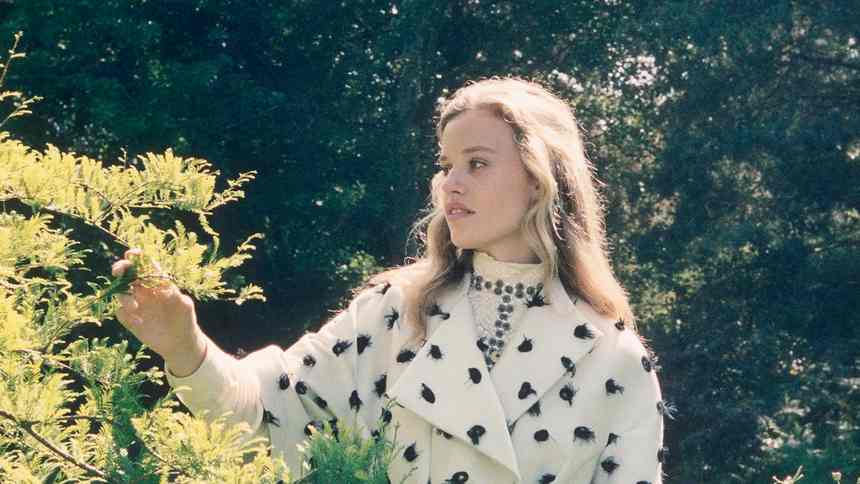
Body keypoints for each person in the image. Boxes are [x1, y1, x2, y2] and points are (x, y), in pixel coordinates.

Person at [112, 77, 667, 484]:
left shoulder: (613, 360)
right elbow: (260, 414)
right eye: (445, 165)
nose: (450, 183)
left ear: (541, 179)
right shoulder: (396, 312)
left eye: (476, 163)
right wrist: (184, 347)